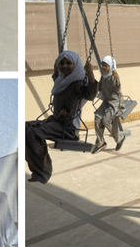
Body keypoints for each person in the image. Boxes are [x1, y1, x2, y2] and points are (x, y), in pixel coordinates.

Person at [25, 50, 98, 184]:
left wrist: (91, 74)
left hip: (68, 128)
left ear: (75, 65)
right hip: (56, 122)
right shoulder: (61, 81)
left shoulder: (77, 83)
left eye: (68, 63)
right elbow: (56, 77)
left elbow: (90, 95)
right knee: (25, 127)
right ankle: (35, 165)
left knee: (33, 133)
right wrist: (55, 67)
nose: (65, 66)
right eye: (61, 63)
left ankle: (43, 172)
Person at [92, 55, 126, 154]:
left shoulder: (114, 77)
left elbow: (118, 85)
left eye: (105, 65)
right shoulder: (103, 77)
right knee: (97, 117)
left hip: (116, 103)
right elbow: (100, 88)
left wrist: (116, 77)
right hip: (106, 102)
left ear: (110, 66)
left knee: (106, 120)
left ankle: (119, 137)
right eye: (102, 65)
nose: (102, 67)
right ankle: (101, 142)